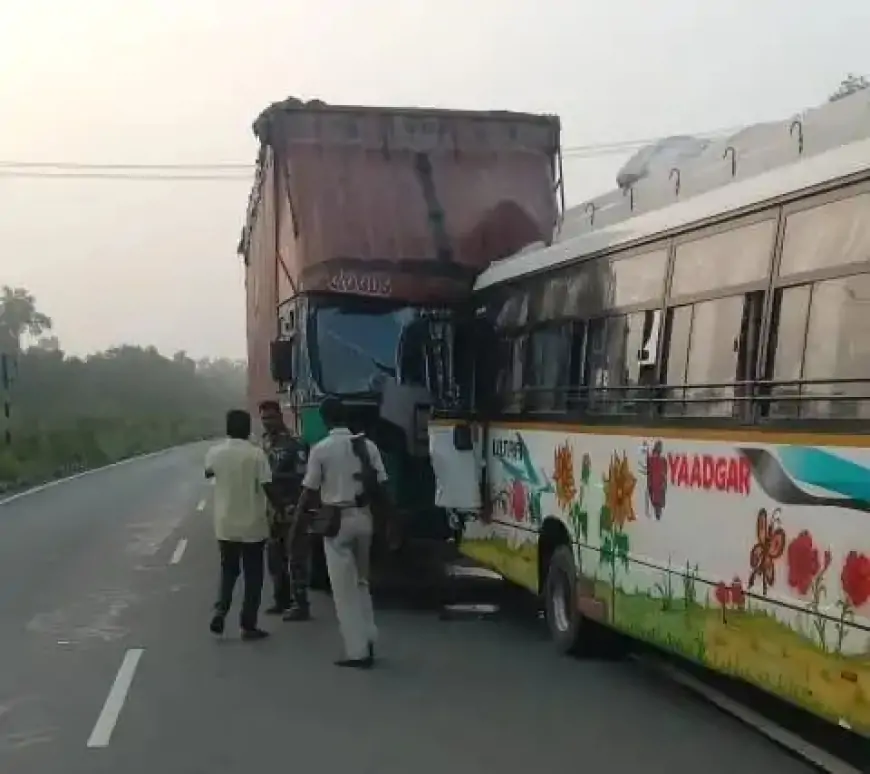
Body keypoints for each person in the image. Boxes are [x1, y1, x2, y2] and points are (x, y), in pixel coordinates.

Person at [291, 397, 387, 668]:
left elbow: (308, 493)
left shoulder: (321, 450)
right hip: (364, 519)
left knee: (343, 591)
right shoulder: (367, 446)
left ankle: (357, 652)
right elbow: (382, 488)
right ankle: (368, 637)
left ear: (324, 419)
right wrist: (391, 523)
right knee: (362, 583)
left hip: (337, 523)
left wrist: (297, 527)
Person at [204, 409, 277, 641]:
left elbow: (208, 473)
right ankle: (248, 625)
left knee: (228, 570)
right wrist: (283, 508)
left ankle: (220, 611)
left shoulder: (214, 453)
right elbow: (268, 486)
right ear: (248, 429)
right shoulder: (257, 455)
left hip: (225, 524)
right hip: (253, 524)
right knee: (253, 576)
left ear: (227, 428)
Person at [258, 400, 311, 621]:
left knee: (296, 556)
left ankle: (301, 603)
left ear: (280, 417)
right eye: (263, 418)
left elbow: (303, 476)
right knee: (274, 556)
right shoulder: (264, 444)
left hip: (291, 507)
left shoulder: (294, 444)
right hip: (271, 509)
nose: (267, 422)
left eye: (271, 417)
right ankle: (282, 600)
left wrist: (275, 478)